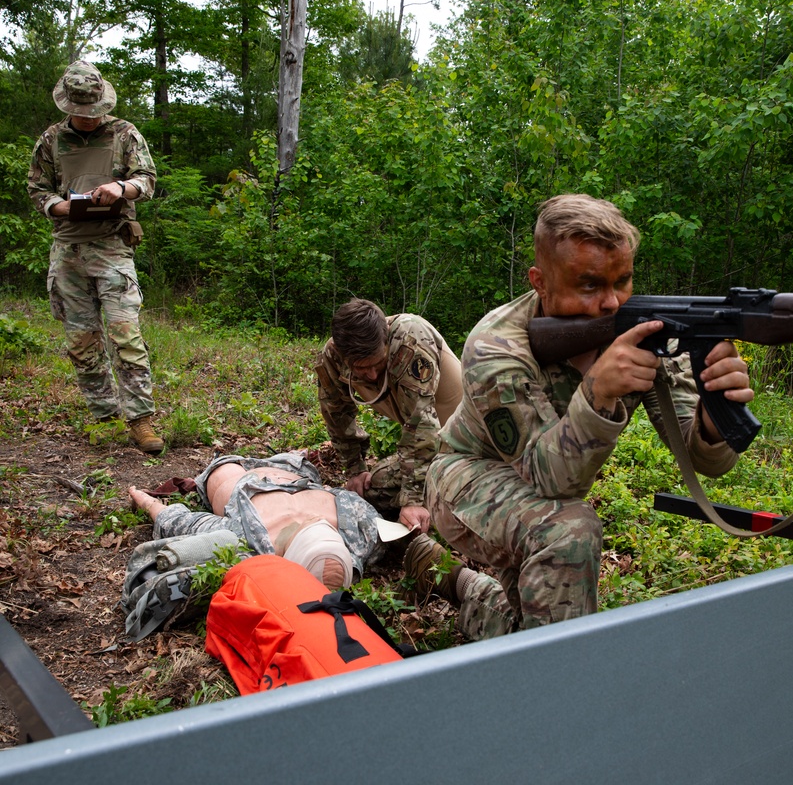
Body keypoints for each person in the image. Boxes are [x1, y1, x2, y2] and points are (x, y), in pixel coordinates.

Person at [408, 194, 755, 640]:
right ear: (541, 282)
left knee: (526, 626)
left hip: (537, 484)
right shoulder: (497, 346)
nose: (612, 303)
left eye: (623, 281)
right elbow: (549, 481)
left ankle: (457, 583)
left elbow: (706, 459)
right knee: (569, 533)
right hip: (464, 477)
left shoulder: (644, 329)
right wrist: (598, 392)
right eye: (589, 286)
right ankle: (562, 681)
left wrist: (713, 414)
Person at [27, 60, 163, 454]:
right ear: (67, 106)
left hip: (112, 246)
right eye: (80, 113)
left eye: (94, 112)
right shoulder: (51, 140)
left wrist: (122, 188)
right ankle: (104, 418)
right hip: (68, 249)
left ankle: (141, 420)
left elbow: (147, 179)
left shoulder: (124, 133)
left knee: (126, 333)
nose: (88, 119)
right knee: (82, 339)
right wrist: (57, 207)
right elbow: (37, 187)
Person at [128, 453, 413, 590]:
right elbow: (176, 521)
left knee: (223, 475)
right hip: (255, 470)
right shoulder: (247, 540)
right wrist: (143, 499)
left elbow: (176, 521)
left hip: (291, 466)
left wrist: (143, 498)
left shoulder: (359, 525)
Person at [314, 298, 462, 534]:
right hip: (437, 442)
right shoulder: (331, 358)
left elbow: (421, 423)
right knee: (373, 488)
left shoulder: (412, 338)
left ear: (386, 340)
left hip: (467, 437)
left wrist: (413, 498)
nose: (371, 375)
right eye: (361, 368)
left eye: (378, 363)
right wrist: (355, 469)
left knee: (393, 488)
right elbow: (337, 415)